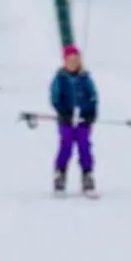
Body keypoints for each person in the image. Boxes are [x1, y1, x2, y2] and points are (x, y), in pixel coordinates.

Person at [49, 45, 98, 194]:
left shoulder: (85, 78)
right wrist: (63, 113)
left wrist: (90, 114)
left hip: (82, 120)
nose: (72, 63)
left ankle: (87, 174)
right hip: (67, 120)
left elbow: (93, 97)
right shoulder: (60, 78)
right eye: (69, 61)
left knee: (85, 147)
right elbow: (55, 98)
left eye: (75, 60)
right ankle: (60, 174)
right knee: (66, 146)